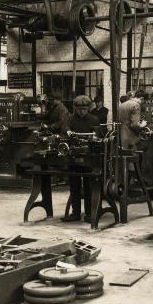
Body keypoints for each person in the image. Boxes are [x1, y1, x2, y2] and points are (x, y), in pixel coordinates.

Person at [62, 95, 101, 223]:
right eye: (79, 109)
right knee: (74, 185)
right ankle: (76, 213)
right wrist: (68, 132)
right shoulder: (70, 119)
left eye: (84, 109)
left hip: (89, 157)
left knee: (89, 186)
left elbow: (99, 135)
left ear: (88, 108)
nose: (82, 112)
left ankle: (89, 214)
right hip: (73, 155)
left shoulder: (94, 119)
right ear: (75, 108)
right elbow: (65, 127)